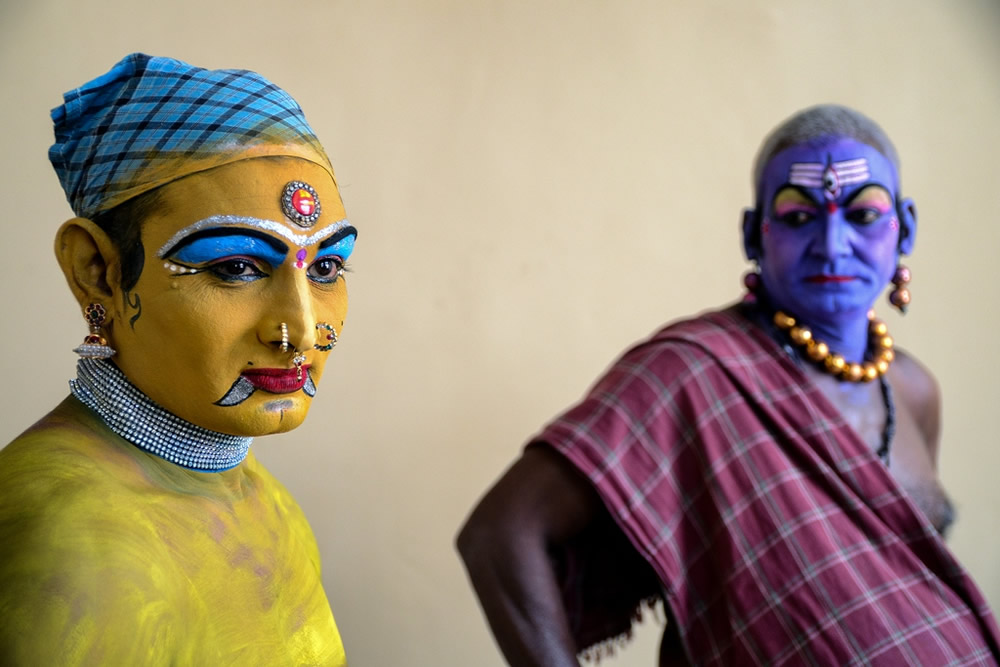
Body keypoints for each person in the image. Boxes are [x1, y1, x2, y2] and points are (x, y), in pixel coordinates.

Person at [457, 105, 1000, 666]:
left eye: (862, 215)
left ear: (905, 228)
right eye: (797, 216)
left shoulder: (913, 390)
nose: (832, 243)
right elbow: (498, 534)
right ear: (752, 234)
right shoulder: (690, 374)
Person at [0, 54, 356, 665]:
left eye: (325, 267)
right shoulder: (72, 545)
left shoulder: (262, 496)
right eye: (235, 268)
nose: (299, 329)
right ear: (97, 273)